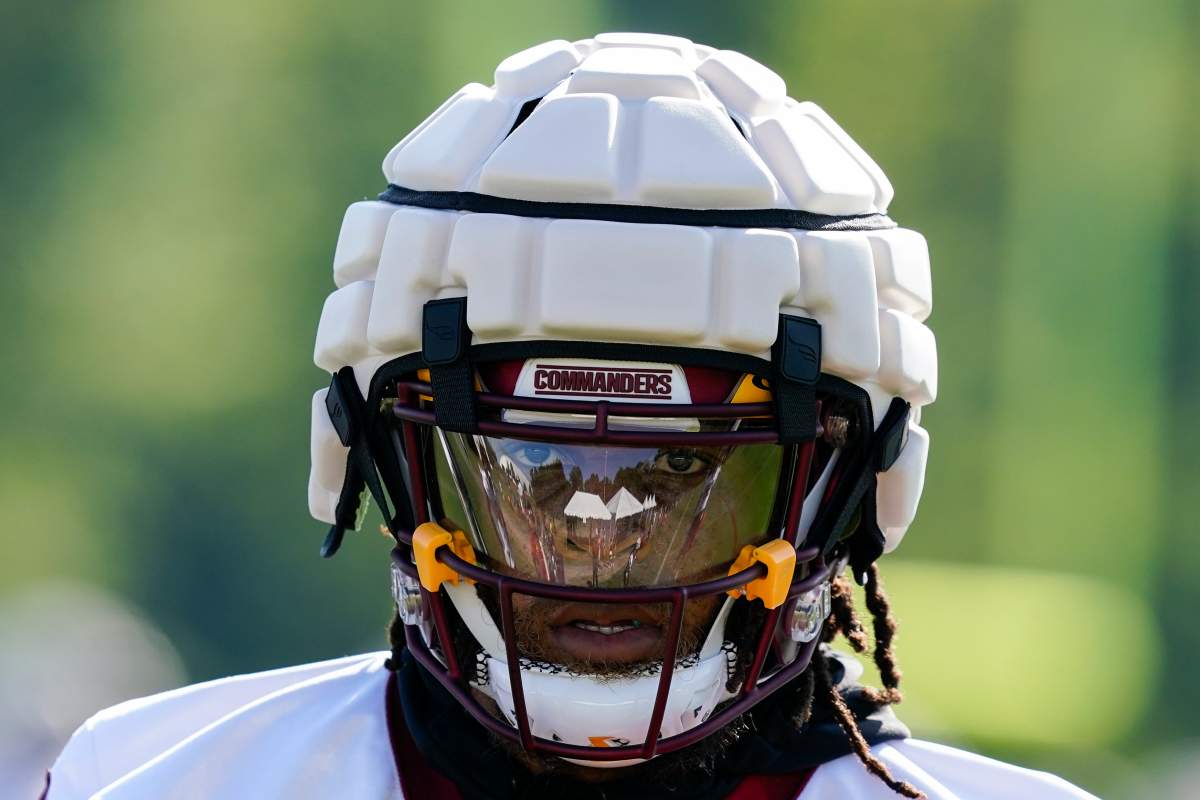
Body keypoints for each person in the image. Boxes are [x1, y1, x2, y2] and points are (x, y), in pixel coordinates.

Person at [45, 33, 1098, 800]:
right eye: (530, 465)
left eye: (684, 474)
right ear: (364, 457)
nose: (600, 536)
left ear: (858, 485)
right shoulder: (143, 780)